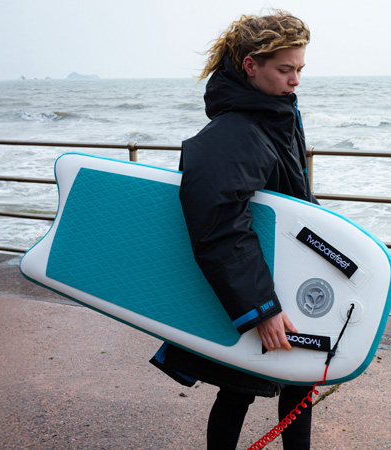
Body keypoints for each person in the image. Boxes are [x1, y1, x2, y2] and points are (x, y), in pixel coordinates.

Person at [149, 11, 315, 450]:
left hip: (281, 273)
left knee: (300, 383)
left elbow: (290, 197)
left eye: (299, 69)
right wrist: (261, 306)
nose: (295, 80)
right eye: (284, 70)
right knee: (239, 387)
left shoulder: (274, 113)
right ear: (250, 66)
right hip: (259, 283)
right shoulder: (236, 130)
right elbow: (218, 223)